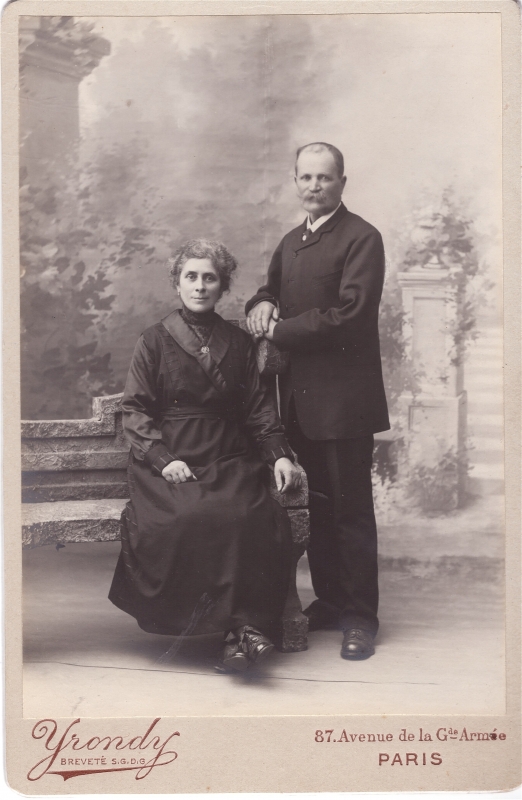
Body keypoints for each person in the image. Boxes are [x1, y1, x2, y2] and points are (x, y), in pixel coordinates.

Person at [109, 239, 301, 672]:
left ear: (223, 285)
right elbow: (134, 409)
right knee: (189, 517)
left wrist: (278, 456)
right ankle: (241, 631)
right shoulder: (154, 341)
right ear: (177, 284)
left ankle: (238, 635)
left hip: (228, 455)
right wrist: (162, 458)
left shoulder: (237, 340)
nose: (200, 286)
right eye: (191, 277)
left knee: (248, 512)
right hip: (173, 460)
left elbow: (257, 408)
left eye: (209, 278)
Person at [245, 142, 390, 660]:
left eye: (324, 178)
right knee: (319, 509)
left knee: (351, 513)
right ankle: (330, 600)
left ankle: (359, 618)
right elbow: (269, 288)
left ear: (342, 183)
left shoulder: (361, 238)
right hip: (301, 403)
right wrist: (261, 300)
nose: (313, 186)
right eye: (305, 178)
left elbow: (351, 315)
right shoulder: (291, 241)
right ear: (296, 182)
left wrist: (279, 329)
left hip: (346, 402)